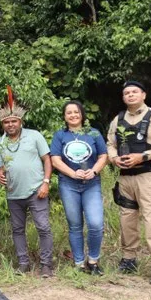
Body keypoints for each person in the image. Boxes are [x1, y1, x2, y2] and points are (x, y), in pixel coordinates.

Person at [106, 81, 151, 286]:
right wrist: (114, 158)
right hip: (126, 178)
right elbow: (110, 144)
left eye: (134, 92)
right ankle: (129, 260)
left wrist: (144, 156)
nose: (130, 95)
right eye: (126, 93)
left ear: (143, 95)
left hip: (150, 176)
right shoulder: (118, 120)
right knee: (127, 220)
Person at [0, 87, 54, 278]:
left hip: (36, 190)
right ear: (2, 124)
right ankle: (23, 263)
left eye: (14, 121)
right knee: (17, 229)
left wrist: (45, 182)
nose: (10, 124)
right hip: (13, 194)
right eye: (7, 122)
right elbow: (0, 170)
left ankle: (46, 265)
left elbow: (47, 160)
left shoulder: (34, 136)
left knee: (43, 227)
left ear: (20, 121)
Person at [50, 101, 108, 275]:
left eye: (76, 112)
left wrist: (94, 171)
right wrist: (73, 173)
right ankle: (79, 263)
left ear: (82, 114)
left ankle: (93, 260)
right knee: (75, 225)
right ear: (64, 116)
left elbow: (104, 156)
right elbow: (55, 159)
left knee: (96, 224)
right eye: (69, 112)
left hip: (91, 184)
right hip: (69, 184)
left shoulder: (93, 133)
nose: (73, 115)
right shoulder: (60, 135)